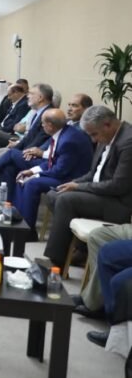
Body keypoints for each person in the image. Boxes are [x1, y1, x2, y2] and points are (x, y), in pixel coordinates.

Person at [44, 105, 132, 267]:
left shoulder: (128, 142)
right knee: (54, 195)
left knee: (66, 200)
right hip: (100, 194)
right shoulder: (105, 136)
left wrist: (78, 187)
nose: (93, 140)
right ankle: (81, 249)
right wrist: (74, 183)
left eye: (94, 134)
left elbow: (118, 186)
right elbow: (93, 174)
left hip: (118, 204)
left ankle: (55, 263)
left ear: (107, 124)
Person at [11, 109, 93, 230]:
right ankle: (17, 219)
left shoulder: (69, 140)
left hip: (72, 180)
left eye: (43, 123)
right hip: (63, 173)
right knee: (22, 176)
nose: (42, 125)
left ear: (50, 125)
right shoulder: (63, 133)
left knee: (32, 183)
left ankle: (26, 230)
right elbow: (53, 161)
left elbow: (60, 171)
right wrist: (32, 171)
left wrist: (36, 175)